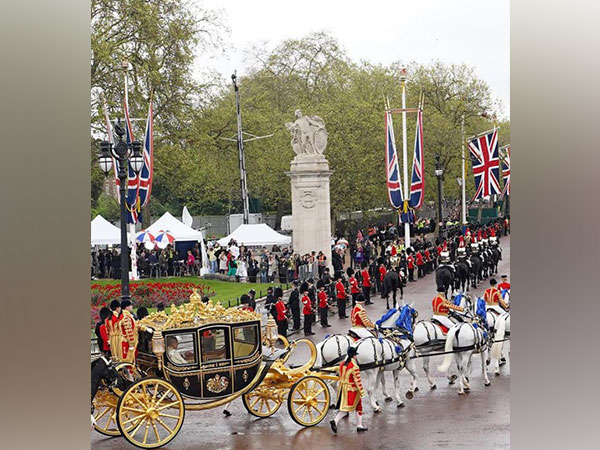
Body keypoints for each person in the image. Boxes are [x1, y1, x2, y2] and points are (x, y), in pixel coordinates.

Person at [330, 346, 368, 433]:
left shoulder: (342, 364)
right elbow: (357, 380)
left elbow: (336, 370)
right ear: (354, 356)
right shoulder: (354, 366)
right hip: (352, 390)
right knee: (347, 409)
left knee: (358, 406)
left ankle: (359, 425)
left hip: (343, 388)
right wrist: (362, 391)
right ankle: (335, 421)